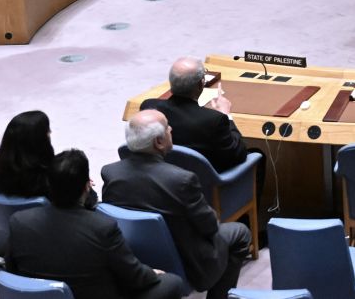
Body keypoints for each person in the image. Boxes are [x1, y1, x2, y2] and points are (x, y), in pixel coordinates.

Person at [101, 110, 251, 299]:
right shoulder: (181, 180)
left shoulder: (110, 173)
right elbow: (210, 227)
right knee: (240, 232)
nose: (171, 129)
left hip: (138, 256)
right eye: (167, 127)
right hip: (188, 260)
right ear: (159, 142)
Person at [8, 149, 182, 299]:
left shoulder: (19, 221)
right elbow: (134, 276)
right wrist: (152, 273)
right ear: (86, 187)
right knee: (172, 283)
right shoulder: (102, 227)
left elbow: (12, 269)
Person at [139, 57, 247, 171]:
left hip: (161, 175)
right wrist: (226, 114)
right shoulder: (214, 120)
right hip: (206, 181)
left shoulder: (149, 108)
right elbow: (238, 154)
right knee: (257, 154)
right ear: (201, 84)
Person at [0, 110, 54, 198]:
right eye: (47, 131)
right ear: (39, 142)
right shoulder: (49, 180)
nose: (50, 133)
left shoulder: (0, 171)